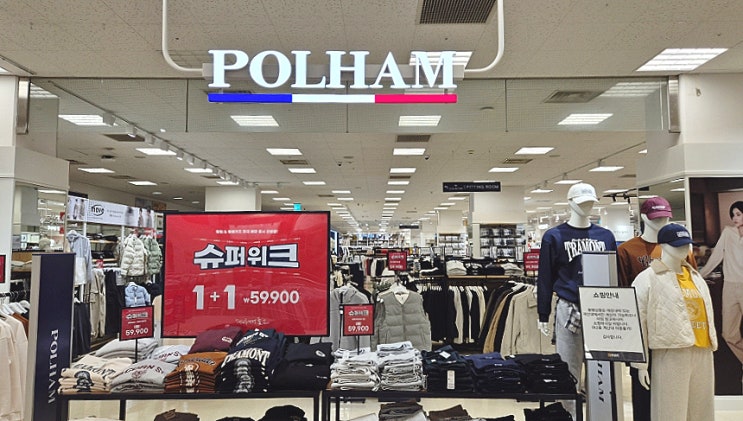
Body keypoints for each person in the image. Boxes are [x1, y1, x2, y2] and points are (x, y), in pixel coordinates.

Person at [537, 182, 617, 418]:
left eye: (591, 202)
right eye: (582, 203)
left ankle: (599, 415)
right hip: (569, 307)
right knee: (568, 370)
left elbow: (614, 275)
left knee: (601, 370)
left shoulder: (606, 236)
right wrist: (543, 313)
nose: (587, 207)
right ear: (570, 203)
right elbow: (545, 277)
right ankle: (568, 416)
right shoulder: (554, 236)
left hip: (601, 308)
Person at [616, 196, 697, 421]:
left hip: (676, 333)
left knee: (675, 397)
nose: (661, 221)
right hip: (642, 332)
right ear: (643, 217)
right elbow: (623, 293)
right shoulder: (627, 250)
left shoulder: (682, 249)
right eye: (656, 217)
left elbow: (692, 286)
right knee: (643, 396)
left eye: (665, 217)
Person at [631, 223, 716, 420]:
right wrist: (641, 364)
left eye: (686, 244)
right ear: (663, 245)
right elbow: (638, 323)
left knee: (702, 412)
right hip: (671, 352)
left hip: (702, 349)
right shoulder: (647, 279)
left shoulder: (696, 277)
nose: (683, 249)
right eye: (677, 244)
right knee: (670, 412)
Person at [699, 200, 743, 366]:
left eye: (738, 214)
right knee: (728, 334)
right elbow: (716, 256)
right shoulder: (728, 233)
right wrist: (699, 275)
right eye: (733, 215)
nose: (734, 218)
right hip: (730, 286)